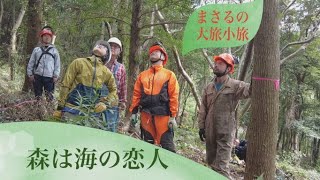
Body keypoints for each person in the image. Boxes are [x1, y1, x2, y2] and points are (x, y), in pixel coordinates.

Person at [198, 53, 251, 179]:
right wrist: (201, 127)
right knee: (211, 163)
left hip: (225, 131)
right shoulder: (209, 87)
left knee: (221, 167)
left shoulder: (235, 85)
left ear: (228, 69)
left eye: (220, 64)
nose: (216, 66)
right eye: (216, 63)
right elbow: (203, 108)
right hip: (210, 130)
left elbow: (251, 90)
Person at [53, 40, 118, 126]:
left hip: (91, 114)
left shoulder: (106, 72)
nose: (100, 46)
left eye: (104, 47)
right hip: (71, 108)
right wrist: (59, 108)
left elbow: (114, 90)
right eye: (98, 45)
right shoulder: (78, 63)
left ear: (107, 55)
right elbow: (66, 85)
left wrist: (106, 103)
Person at [129, 42, 179, 152]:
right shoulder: (142, 75)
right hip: (146, 115)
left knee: (168, 147)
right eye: (151, 52)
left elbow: (174, 96)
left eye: (156, 51)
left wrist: (173, 116)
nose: (152, 53)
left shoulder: (169, 75)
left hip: (163, 116)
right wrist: (133, 112)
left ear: (163, 56)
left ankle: (170, 167)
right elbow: (136, 95)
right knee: (147, 147)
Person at [27, 26, 61, 101]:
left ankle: (49, 111)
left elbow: (57, 65)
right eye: (45, 36)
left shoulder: (54, 51)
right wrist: (30, 74)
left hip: (49, 78)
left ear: (51, 38)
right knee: (37, 96)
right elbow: (31, 63)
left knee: (49, 97)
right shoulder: (37, 50)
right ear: (42, 37)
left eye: (48, 36)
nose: (47, 37)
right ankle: (38, 110)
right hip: (37, 76)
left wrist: (56, 75)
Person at [103, 37, 127, 132]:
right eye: (111, 45)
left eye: (116, 46)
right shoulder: (100, 63)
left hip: (113, 104)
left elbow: (122, 86)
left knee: (109, 128)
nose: (113, 48)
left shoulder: (121, 68)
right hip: (97, 100)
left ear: (120, 51)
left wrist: (122, 102)